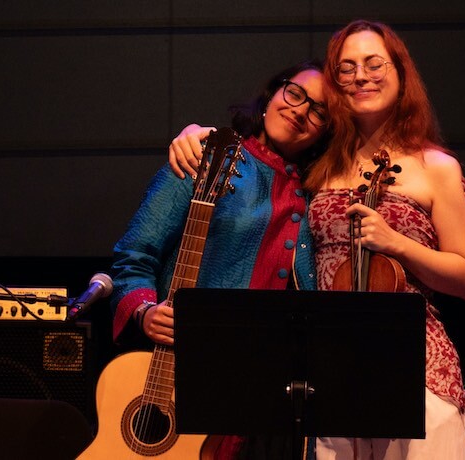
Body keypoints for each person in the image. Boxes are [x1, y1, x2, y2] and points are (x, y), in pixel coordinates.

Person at [110, 59, 330, 459]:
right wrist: (144, 310)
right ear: (270, 96)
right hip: (190, 381)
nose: (300, 110)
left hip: (275, 403)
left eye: (319, 111)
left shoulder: (323, 194)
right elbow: (134, 256)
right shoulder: (206, 156)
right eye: (294, 93)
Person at [301, 19, 465, 459]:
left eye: (374, 63)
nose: (360, 76)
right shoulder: (317, 165)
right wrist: (196, 133)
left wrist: (396, 243)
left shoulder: (435, 166)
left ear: (400, 73)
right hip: (333, 371)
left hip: (416, 366)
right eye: (346, 68)